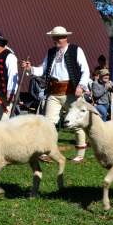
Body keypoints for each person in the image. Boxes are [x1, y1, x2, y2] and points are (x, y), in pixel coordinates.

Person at [21, 26, 90, 163]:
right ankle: (47, 152)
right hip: (53, 92)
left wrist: (81, 86)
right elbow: (42, 70)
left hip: (72, 92)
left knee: (76, 124)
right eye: (54, 37)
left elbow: (85, 70)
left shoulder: (76, 50)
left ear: (65, 37)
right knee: (49, 123)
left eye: (59, 37)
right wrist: (30, 68)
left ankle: (80, 155)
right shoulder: (51, 52)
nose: (56, 40)